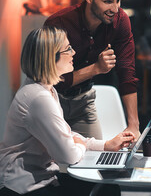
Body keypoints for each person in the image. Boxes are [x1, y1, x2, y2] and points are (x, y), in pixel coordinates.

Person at [0, 27, 135, 195]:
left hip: (42, 178)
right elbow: (68, 156)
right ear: (51, 58)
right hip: (24, 186)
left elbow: (68, 135)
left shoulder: (47, 90)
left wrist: (105, 145)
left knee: (108, 187)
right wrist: (79, 146)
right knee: (106, 189)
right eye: (68, 49)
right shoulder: (38, 98)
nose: (73, 53)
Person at [44, 0, 140, 139]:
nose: (115, 9)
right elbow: (53, 80)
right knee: (52, 163)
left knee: (93, 159)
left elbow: (127, 71)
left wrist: (133, 125)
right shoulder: (58, 24)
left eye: (118, 0)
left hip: (83, 102)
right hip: (51, 101)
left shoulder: (120, 21)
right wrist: (96, 68)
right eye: (107, 1)